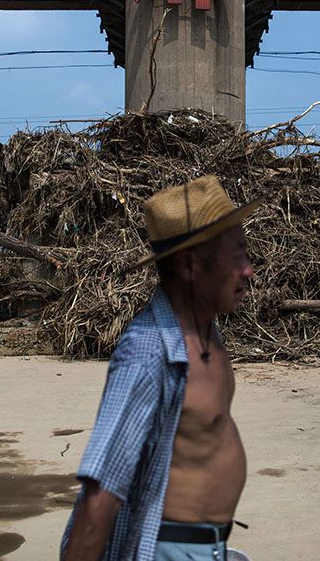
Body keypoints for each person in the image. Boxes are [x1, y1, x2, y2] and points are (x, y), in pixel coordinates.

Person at [61, 175, 263, 561]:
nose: (248, 269)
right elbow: (102, 491)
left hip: (210, 547)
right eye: (236, 254)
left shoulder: (206, 328)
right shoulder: (148, 353)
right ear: (189, 264)